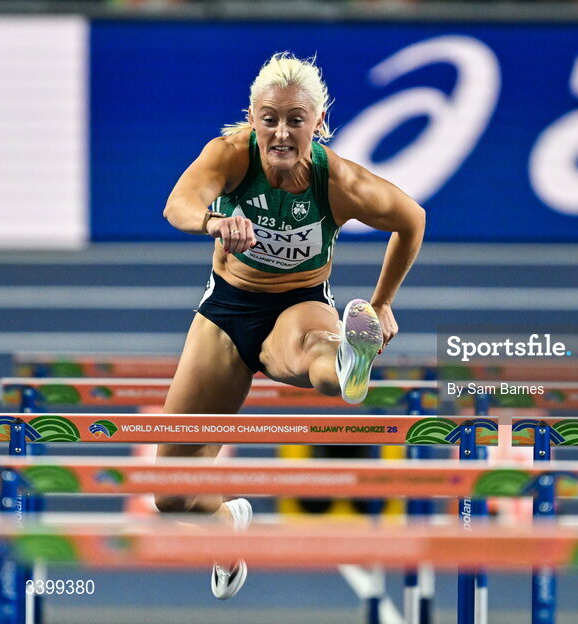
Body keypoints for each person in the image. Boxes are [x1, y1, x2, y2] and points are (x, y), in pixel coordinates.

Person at [154, 52, 425, 599]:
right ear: (253, 118)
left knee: (320, 366)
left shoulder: (339, 180)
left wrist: (383, 302)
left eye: (295, 120)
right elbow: (177, 205)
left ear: (317, 124)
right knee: (169, 495)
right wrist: (214, 220)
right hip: (227, 312)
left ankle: (352, 355)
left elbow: (410, 219)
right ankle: (227, 523)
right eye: (270, 118)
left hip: (299, 305)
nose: (281, 132)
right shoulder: (230, 155)